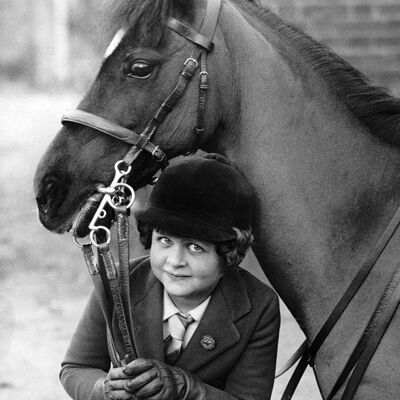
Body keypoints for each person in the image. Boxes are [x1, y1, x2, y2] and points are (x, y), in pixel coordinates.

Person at [60, 154, 280, 400]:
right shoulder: (118, 284)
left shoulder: (258, 306)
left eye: (195, 247)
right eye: (164, 240)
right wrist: (104, 389)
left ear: (229, 253)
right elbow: (75, 368)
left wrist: (188, 389)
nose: (175, 261)